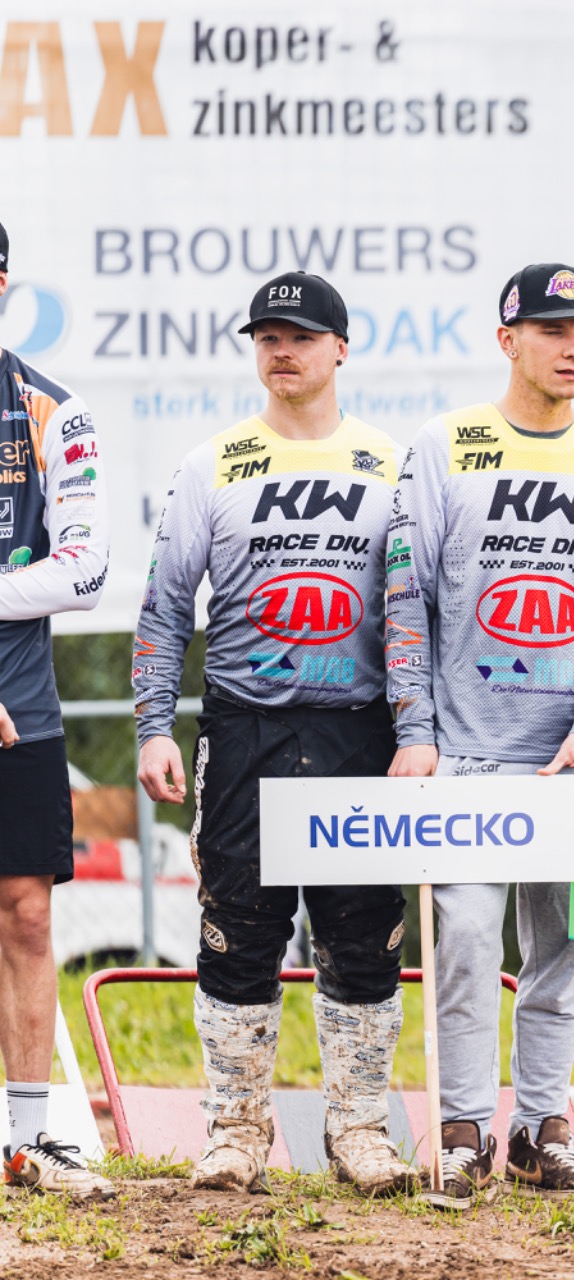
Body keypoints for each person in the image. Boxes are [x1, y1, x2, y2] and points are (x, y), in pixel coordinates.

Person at [387, 263, 574, 1208]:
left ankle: (544, 1129)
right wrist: (416, 729)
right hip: (466, 751)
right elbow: (405, 595)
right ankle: (463, 1129)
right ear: (508, 340)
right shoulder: (445, 444)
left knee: (563, 948)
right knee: (466, 939)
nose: (573, 348)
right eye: (552, 330)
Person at [132, 273, 412, 1197]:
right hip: (244, 726)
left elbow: (419, 612)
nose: (282, 351)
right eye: (267, 337)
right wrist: (153, 727)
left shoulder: (391, 464)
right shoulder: (212, 463)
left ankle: (360, 1129)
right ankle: (236, 1132)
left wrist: (420, 729)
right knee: (238, 929)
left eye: (300, 336)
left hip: (358, 732)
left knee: (362, 933)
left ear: (341, 348)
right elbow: (165, 608)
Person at [0, 221, 117, 1199]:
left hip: (21, 709)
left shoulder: (51, 410)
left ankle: (29, 1138)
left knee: (28, 915)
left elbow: (83, 571)